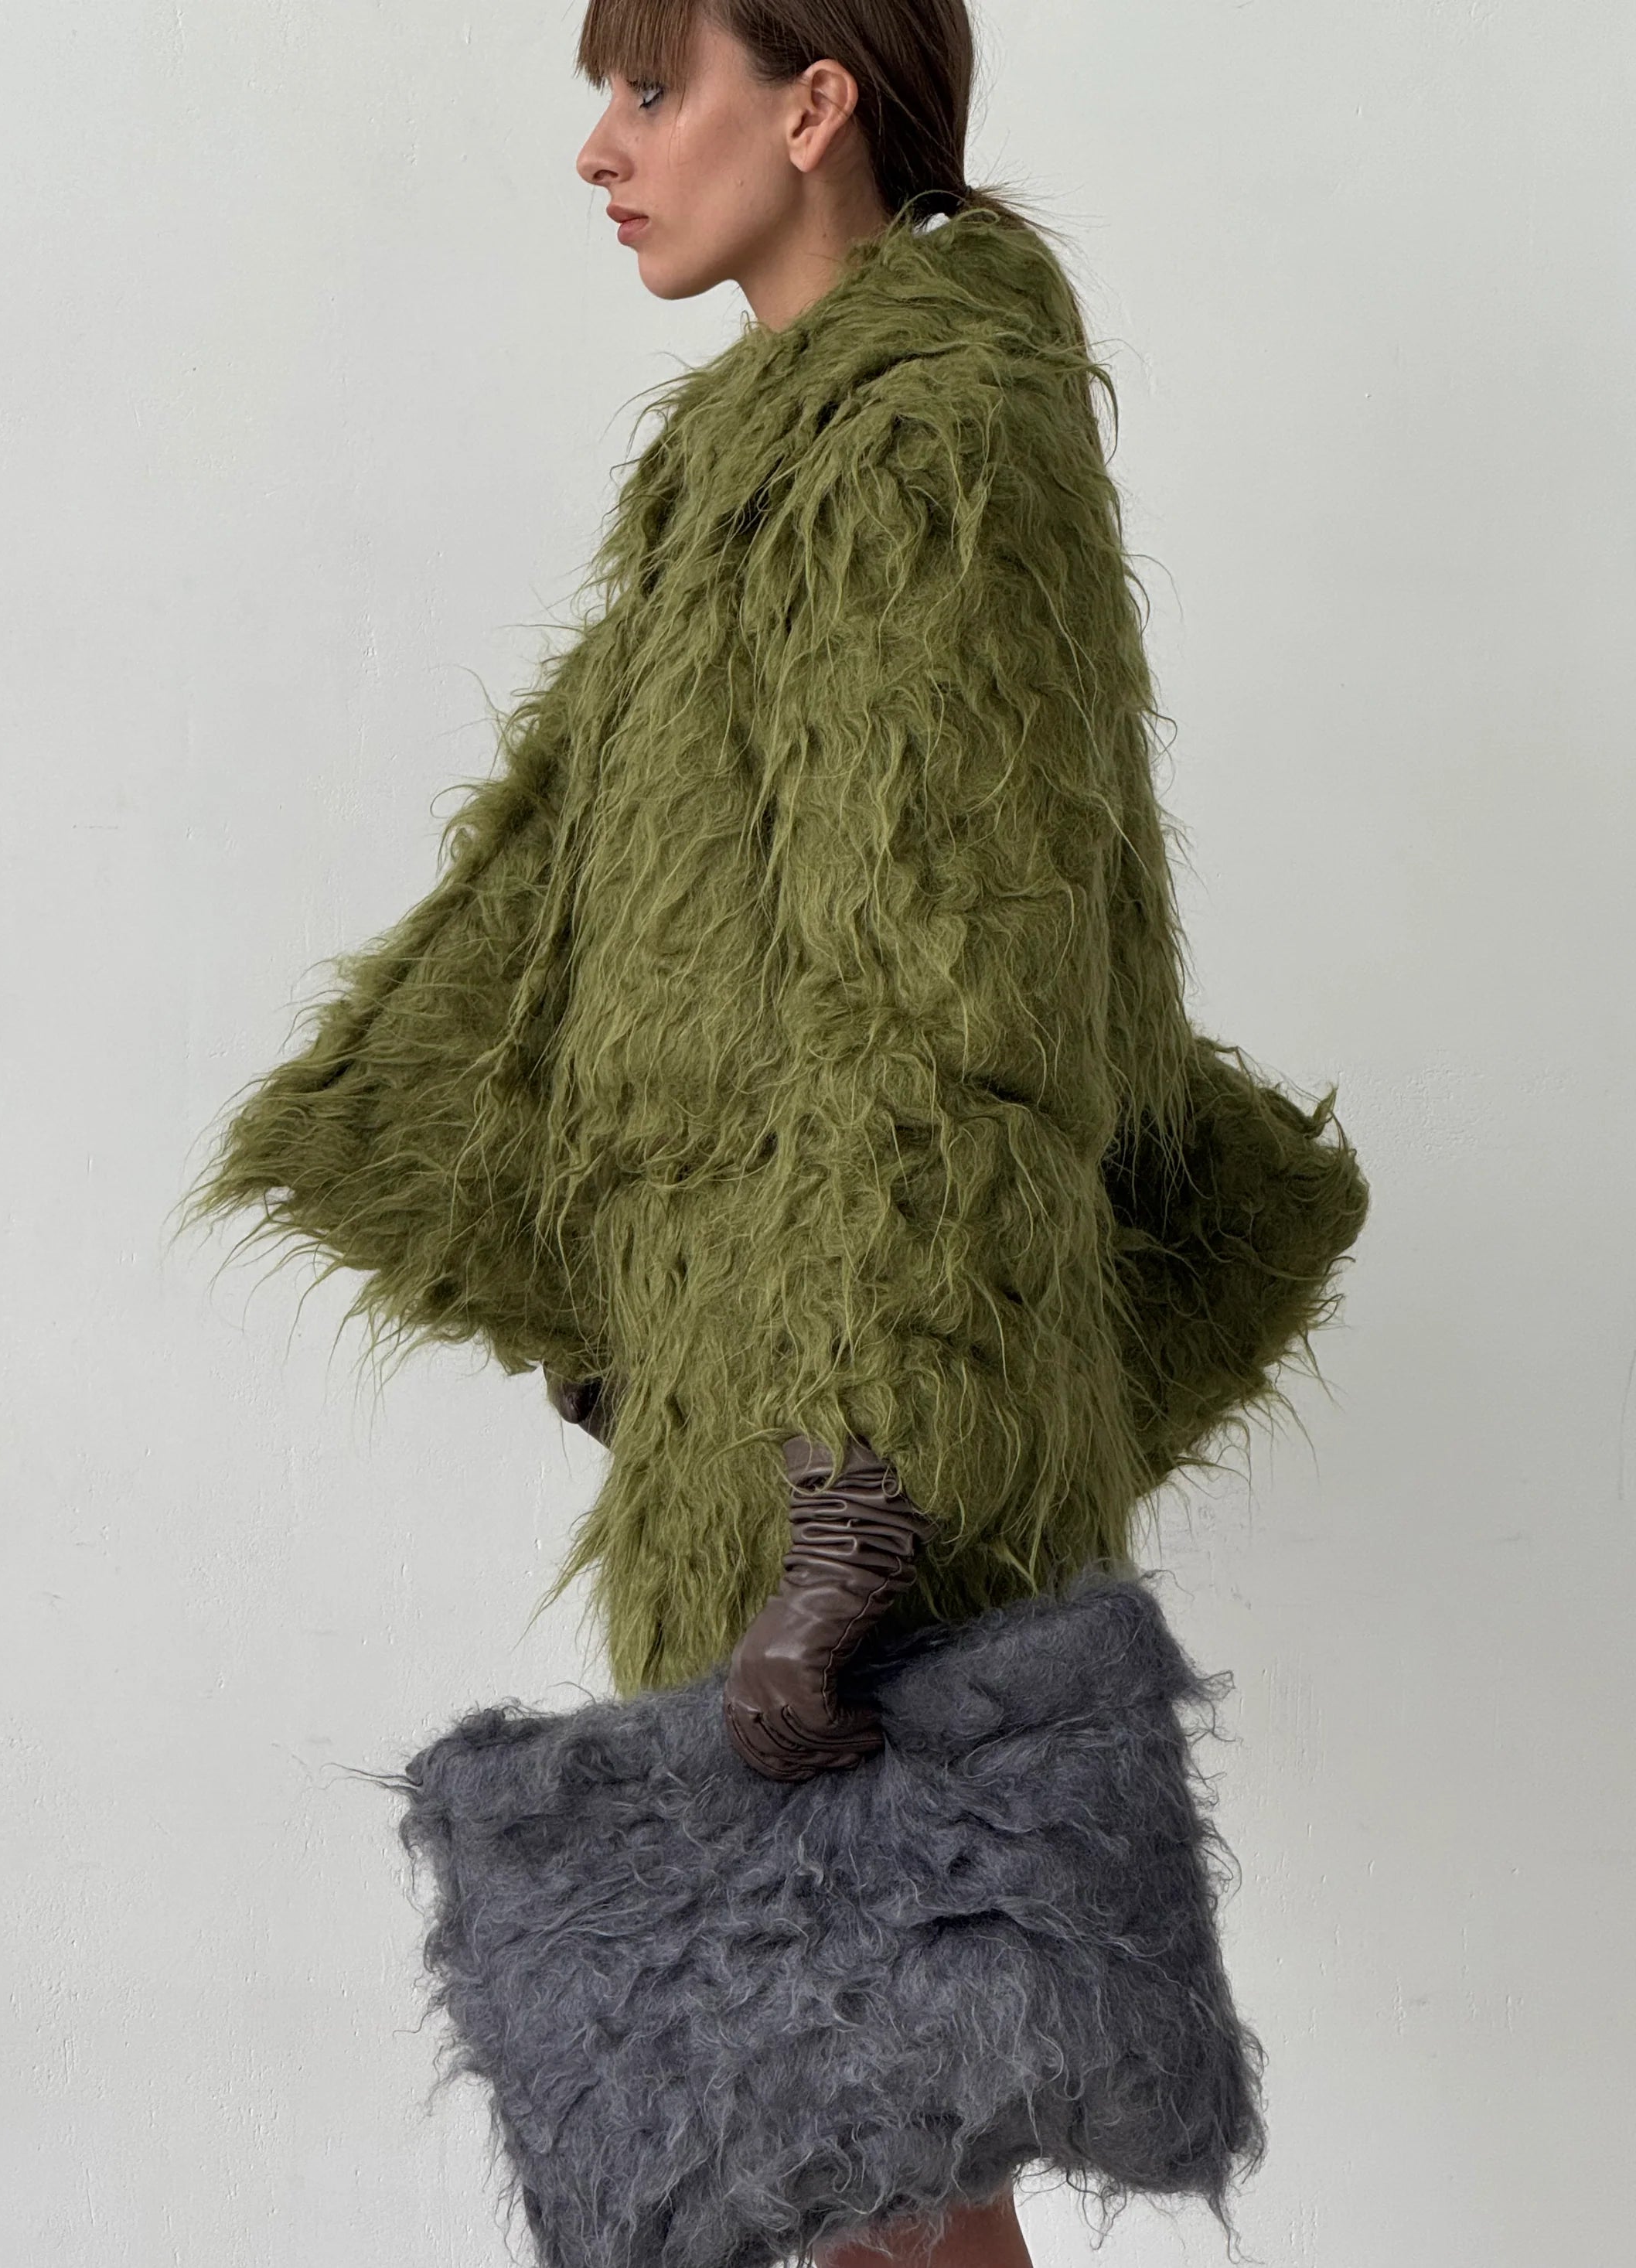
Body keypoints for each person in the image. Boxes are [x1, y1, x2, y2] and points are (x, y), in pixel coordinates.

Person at [186, 4, 1367, 2262]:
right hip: (770, 1395)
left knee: (888, 2155)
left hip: (876, 1418)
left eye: (655, 90)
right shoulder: (752, 462)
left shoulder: (927, 451)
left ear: (816, 109)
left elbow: (941, 985)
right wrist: (611, 1286)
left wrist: (851, 1490)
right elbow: (651, 937)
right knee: (866, 2160)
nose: (600, 150)